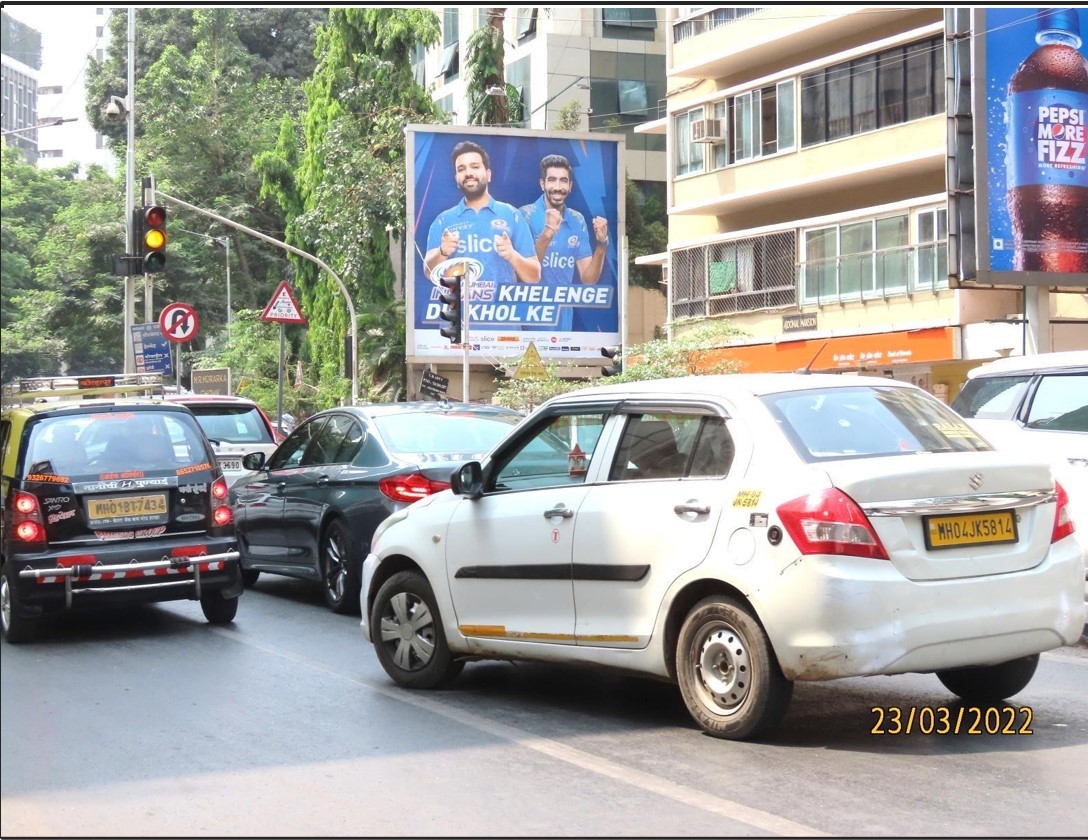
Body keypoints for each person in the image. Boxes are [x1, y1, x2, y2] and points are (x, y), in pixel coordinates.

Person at [424, 140, 540, 286]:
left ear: (488, 174)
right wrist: (442, 252)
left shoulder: (512, 215)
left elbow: (534, 276)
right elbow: (428, 272)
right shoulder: (443, 220)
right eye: (461, 169)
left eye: (475, 166)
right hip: (459, 307)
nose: (468, 173)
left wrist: (512, 255)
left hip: (502, 308)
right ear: (456, 179)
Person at [519, 154, 610, 331]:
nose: (558, 187)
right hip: (531, 313)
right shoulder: (525, 215)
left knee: (561, 360)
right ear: (542, 184)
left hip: (563, 317)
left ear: (570, 186)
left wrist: (601, 244)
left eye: (563, 181)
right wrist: (548, 233)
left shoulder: (577, 220)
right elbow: (525, 273)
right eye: (552, 180)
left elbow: (588, 280)